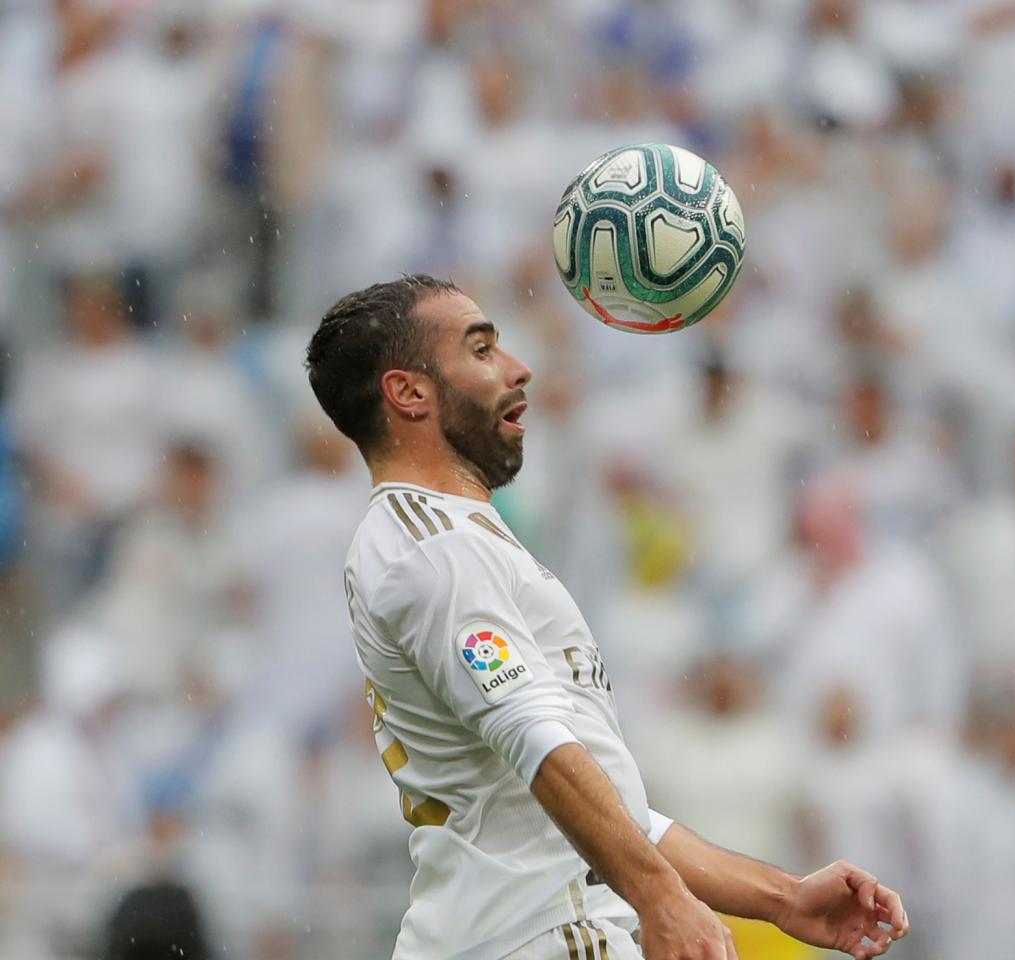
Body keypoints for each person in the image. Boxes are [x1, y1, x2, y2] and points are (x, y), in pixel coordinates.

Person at [304, 275, 908, 960]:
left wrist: (782, 898)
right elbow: (539, 745)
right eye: (480, 350)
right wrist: (659, 897)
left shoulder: (454, 539)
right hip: (536, 938)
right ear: (408, 392)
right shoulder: (435, 550)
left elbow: (594, 799)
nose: (517, 367)